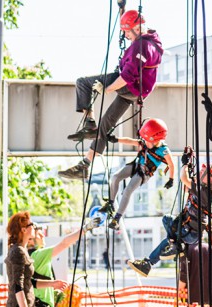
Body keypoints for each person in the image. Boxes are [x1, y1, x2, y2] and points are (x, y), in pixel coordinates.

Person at [59, 10, 164, 181]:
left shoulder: (141, 46)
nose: (125, 35)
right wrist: (123, 11)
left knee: (83, 83)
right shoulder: (151, 41)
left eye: (127, 31)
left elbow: (127, 76)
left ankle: (89, 123)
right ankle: (85, 164)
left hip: (131, 85)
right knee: (106, 125)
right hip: (137, 92)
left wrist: (107, 88)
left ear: (136, 29)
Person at [127, 157, 212, 277]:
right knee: (167, 220)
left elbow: (184, 179)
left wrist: (184, 164)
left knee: (171, 234)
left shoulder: (203, 191)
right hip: (188, 229)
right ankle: (154, 260)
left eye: (204, 172)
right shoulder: (200, 189)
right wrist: (190, 167)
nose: (201, 171)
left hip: (191, 232)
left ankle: (168, 251)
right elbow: (186, 187)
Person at [100, 117, 175, 229]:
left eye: (148, 141)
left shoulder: (164, 150)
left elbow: (171, 164)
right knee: (115, 177)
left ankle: (117, 219)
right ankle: (110, 204)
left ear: (156, 140)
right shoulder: (147, 140)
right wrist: (116, 139)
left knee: (127, 190)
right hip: (136, 165)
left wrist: (171, 179)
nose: (145, 142)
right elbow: (131, 141)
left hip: (145, 173)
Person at [28, 217, 100, 307]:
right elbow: (64, 243)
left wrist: (52, 293)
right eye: (39, 235)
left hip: (36, 306)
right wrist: (85, 229)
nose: (43, 236)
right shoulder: (38, 254)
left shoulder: (28, 255)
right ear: (30, 240)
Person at [3, 211, 68, 307]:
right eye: (31, 224)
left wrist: (52, 284)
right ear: (23, 230)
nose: (34, 227)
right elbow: (17, 286)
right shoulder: (18, 251)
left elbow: (28, 282)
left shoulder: (21, 250)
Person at [179, 242, 212, 307]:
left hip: (193, 299)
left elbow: (184, 275)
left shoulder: (187, 250)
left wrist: (178, 294)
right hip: (211, 298)